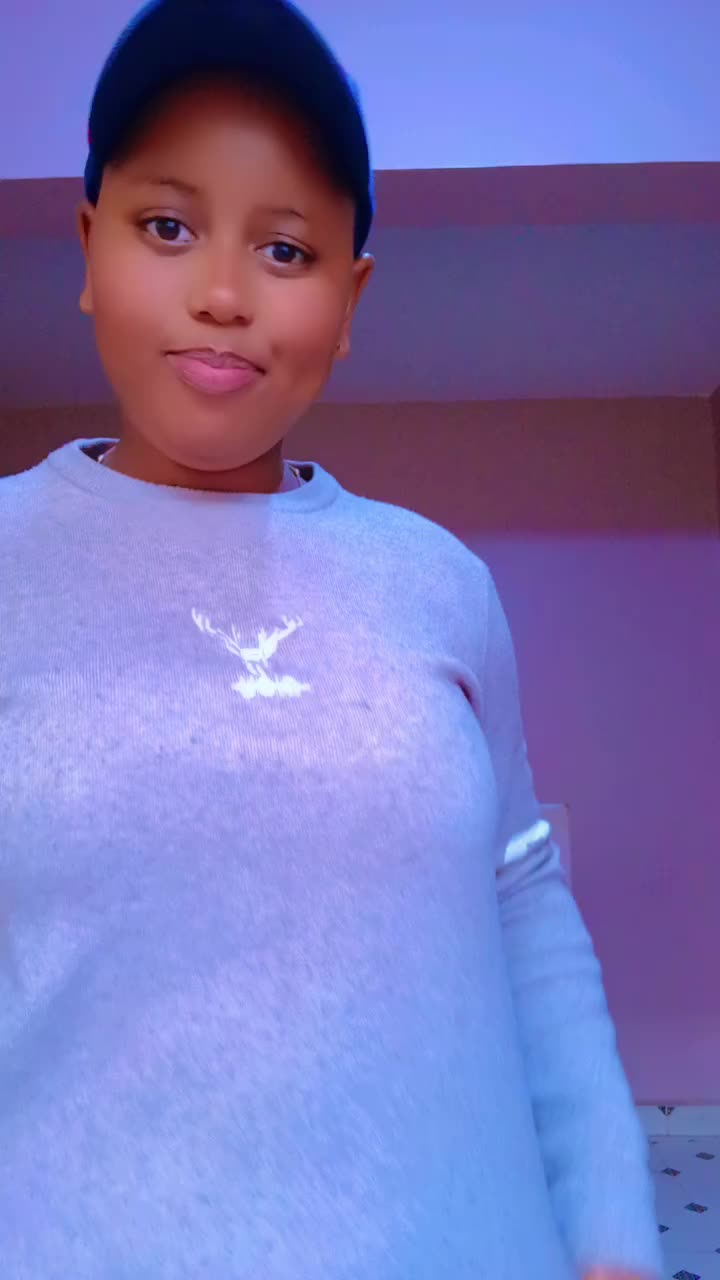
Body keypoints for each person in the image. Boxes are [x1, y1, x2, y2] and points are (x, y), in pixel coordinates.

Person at [0, 2, 663, 1277]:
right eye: (168, 226)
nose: (223, 294)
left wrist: (610, 1227)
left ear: (350, 297)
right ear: (88, 247)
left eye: (287, 248)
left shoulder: (440, 580)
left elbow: (523, 900)